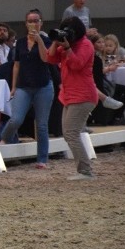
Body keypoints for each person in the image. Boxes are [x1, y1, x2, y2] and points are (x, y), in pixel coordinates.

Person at [42, 16, 98, 180]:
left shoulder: (85, 45)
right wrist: (55, 40)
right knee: (69, 133)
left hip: (83, 95)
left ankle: (85, 171)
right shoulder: (69, 44)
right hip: (70, 95)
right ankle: (84, 169)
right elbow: (50, 58)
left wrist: (67, 49)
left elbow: (77, 64)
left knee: (71, 133)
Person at [0, 10, 55, 168]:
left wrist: (39, 41)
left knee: (42, 124)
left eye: (36, 20)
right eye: (30, 21)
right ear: (26, 24)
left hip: (43, 86)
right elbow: (17, 65)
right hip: (24, 86)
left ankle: (42, 159)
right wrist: (13, 87)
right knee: (16, 118)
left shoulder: (46, 40)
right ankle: (3, 139)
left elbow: (46, 58)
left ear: (41, 22)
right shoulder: (21, 42)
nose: (33, 24)